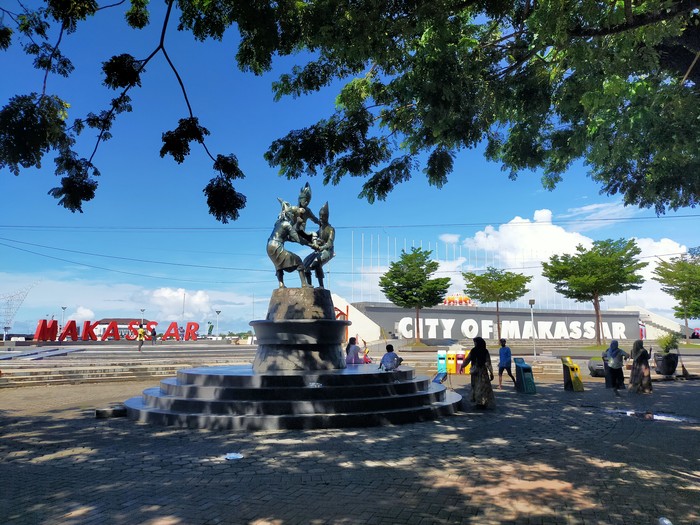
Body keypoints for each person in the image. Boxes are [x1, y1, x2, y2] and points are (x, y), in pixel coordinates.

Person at [267, 199, 310, 288]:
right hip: (276, 245)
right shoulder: (286, 224)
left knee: (278, 264)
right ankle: (304, 284)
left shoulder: (278, 223)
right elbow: (296, 238)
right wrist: (309, 243)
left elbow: (288, 238)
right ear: (290, 214)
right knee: (298, 261)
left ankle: (281, 284)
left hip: (269, 246)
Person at [303, 202, 335, 288]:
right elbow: (313, 237)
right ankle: (309, 285)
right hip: (318, 251)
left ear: (326, 217)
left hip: (328, 251)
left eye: (322, 216)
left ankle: (321, 285)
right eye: (320, 216)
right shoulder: (320, 228)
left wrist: (321, 246)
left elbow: (330, 243)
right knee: (305, 262)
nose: (320, 218)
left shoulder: (331, 229)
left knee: (316, 262)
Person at [460, 336, 495, 408]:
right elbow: (488, 363)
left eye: (475, 342)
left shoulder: (473, 350)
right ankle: (483, 402)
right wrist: (491, 372)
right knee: (483, 387)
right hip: (483, 372)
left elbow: (467, 360)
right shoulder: (485, 351)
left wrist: (462, 366)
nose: (474, 344)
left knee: (476, 386)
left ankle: (479, 402)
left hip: (476, 372)